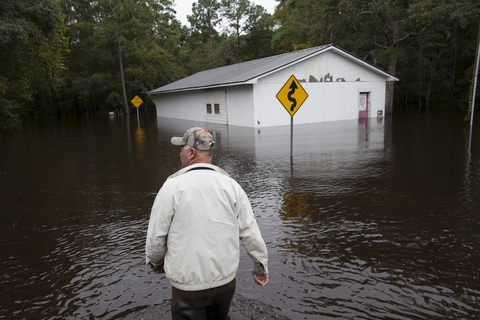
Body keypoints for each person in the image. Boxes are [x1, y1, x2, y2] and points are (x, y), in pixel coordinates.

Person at [145, 127, 269, 320]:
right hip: (225, 284)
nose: (179, 153)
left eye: (181, 149)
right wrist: (260, 266)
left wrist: (156, 262)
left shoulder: (171, 187)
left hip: (188, 287)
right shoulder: (232, 186)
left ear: (192, 152)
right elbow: (250, 231)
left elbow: (156, 236)